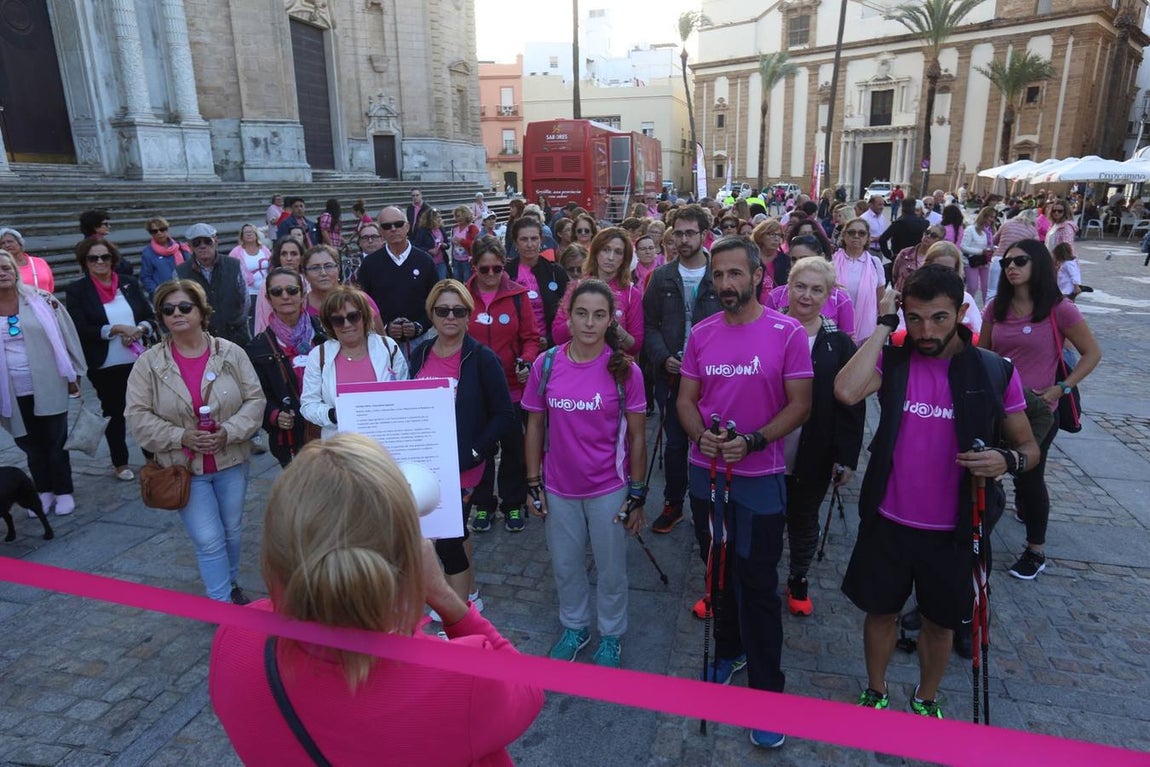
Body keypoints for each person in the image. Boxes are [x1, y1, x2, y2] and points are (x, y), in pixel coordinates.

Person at [209, 433, 545, 765]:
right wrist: (443, 595)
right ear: (405, 554)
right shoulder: (461, 680)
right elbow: (528, 691)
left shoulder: (234, 639)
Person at [835, 265, 1040, 719]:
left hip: (954, 526)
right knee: (880, 613)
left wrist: (1008, 460)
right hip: (888, 517)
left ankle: (926, 698)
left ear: (963, 312)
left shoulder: (994, 371)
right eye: (916, 317)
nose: (926, 331)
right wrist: (886, 325)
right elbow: (847, 391)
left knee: (941, 622)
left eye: (939, 318)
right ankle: (876, 690)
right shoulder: (896, 358)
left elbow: (1028, 447)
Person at [676, 236, 813, 748]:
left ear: (758, 275)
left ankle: (766, 695)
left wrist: (754, 441)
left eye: (735, 274)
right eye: (718, 276)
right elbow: (687, 398)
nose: (726, 284)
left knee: (757, 586)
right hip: (703, 475)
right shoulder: (702, 333)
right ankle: (728, 650)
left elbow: (801, 404)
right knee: (718, 571)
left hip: (759, 484)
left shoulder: (787, 332)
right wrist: (699, 436)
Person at [523, 279, 647, 668]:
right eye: (581, 313)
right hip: (559, 488)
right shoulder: (546, 364)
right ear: (568, 316)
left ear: (611, 319)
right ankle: (575, 626)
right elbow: (535, 426)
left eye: (598, 315)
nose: (589, 323)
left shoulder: (625, 371)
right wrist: (532, 483)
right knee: (565, 565)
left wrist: (638, 493)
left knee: (611, 570)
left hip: (608, 489)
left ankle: (611, 635)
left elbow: (639, 438)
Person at [126, 279, 265, 603]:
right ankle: (220, 604)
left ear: (202, 312)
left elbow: (255, 400)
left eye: (185, 307)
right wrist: (181, 436)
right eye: (168, 309)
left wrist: (228, 431)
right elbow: (137, 416)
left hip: (230, 461)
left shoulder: (230, 353)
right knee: (208, 538)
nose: (177, 314)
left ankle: (230, 585)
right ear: (160, 317)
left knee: (231, 530)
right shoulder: (149, 363)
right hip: (184, 468)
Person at [980, 239, 1101, 580]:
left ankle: (1035, 550)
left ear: (1038, 264)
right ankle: (975, 535)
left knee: (1029, 475)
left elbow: (1092, 353)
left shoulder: (1058, 308)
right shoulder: (996, 307)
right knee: (987, 468)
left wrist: (1062, 387)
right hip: (999, 403)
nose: (1011, 267)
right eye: (1006, 262)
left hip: (1037, 408)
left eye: (1020, 260)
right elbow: (983, 352)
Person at [411, 280, 514, 611]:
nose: (450, 317)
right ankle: (469, 595)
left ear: (469, 315)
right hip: (427, 465)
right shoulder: (420, 353)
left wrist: (475, 451)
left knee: (448, 541)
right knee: (452, 531)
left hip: (464, 467)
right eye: (443, 310)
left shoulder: (482, 358)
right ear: (431, 314)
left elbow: (504, 414)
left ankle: (454, 616)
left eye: (459, 310)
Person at [776, 257, 864, 616]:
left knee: (804, 515)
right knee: (763, 516)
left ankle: (798, 576)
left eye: (817, 290)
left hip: (815, 446)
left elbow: (851, 403)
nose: (807, 296)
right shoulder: (769, 328)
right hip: (767, 444)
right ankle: (757, 573)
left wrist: (847, 457)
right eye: (800, 287)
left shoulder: (839, 343)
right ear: (788, 287)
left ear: (829, 295)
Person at [644, 204, 722, 535]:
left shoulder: (720, 273)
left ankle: (713, 502)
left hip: (715, 377)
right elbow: (649, 326)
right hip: (672, 375)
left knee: (712, 441)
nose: (684, 239)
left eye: (690, 232)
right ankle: (674, 502)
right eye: (678, 233)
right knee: (675, 443)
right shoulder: (661, 276)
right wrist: (663, 357)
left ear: (704, 235)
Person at [0, 250, 85, 516]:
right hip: (11, 390)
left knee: (54, 441)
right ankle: (43, 490)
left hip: (49, 383)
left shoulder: (42, 300)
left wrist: (74, 375)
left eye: (5, 268)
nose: (2, 274)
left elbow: (67, 336)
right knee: (29, 444)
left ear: (15, 270)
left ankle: (63, 490)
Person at [465, 236, 540, 534]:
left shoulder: (519, 295)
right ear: (473, 267)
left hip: (511, 387)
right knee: (479, 448)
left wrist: (527, 360)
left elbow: (531, 338)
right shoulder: (462, 295)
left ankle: (513, 502)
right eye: (485, 269)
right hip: (475, 389)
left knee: (513, 449)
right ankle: (484, 503)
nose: (492, 275)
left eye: (497, 268)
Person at [65, 238, 156, 482]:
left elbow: (149, 316)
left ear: (113, 259)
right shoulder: (78, 291)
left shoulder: (128, 284)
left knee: (144, 409)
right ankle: (120, 462)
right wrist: (113, 329)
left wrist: (139, 329)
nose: (100, 262)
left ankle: (151, 456)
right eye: (93, 258)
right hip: (104, 364)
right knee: (115, 412)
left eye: (104, 257)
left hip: (137, 360)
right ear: (85, 262)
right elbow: (80, 328)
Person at [300, 287, 408, 439]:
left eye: (353, 317)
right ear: (329, 324)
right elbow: (308, 405)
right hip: (340, 446)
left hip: (386, 441)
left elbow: (405, 394)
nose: (346, 324)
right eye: (338, 320)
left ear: (364, 317)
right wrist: (333, 414)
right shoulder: (318, 356)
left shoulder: (388, 347)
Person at [245, 267, 327, 467]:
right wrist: (274, 415)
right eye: (277, 291)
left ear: (302, 294)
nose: (285, 296)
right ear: (268, 298)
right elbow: (255, 394)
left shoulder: (326, 332)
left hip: (329, 427)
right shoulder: (259, 346)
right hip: (291, 436)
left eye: (291, 290)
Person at [357, 207, 438, 354]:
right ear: (381, 232)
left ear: (407, 227)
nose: (393, 229)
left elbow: (435, 301)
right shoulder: (369, 265)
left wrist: (419, 325)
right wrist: (385, 327)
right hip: (382, 342)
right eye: (387, 226)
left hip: (420, 341)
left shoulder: (425, 261)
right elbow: (362, 304)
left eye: (398, 224)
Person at [551, 228, 644, 355]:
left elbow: (635, 346)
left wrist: (614, 326)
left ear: (624, 258)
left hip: (614, 366)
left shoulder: (632, 294)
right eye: (605, 250)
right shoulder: (577, 287)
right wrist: (580, 316)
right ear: (595, 252)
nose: (610, 257)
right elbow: (557, 336)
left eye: (618, 252)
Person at [765, 237, 856, 342]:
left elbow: (847, 343)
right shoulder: (776, 295)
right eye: (794, 259)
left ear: (821, 258)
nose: (798, 264)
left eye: (805, 259)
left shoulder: (840, 300)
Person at [175, 223, 251, 346]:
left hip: (236, 337)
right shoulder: (180, 273)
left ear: (215, 241)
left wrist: (237, 322)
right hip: (201, 340)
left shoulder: (234, 265)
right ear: (190, 247)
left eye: (207, 241)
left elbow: (245, 300)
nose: (202, 246)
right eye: (197, 243)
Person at [505, 217, 569, 349]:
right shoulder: (506, 273)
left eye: (534, 238)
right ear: (516, 243)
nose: (530, 244)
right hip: (515, 346)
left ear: (541, 240)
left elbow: (568, 312)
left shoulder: (555, 272)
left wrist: (550, 340)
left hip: (549, 346)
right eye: (524, 239)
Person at [832, 218, 886, 345]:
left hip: (867, 330)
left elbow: (881, 299)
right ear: (844, 236)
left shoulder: (875, 263)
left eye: (861, 233)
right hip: (836, 327)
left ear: (868, 238)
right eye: (851, 232)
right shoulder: (831, 262)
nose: (856, 236)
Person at [253, 236, 306, 335]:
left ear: (301, 257)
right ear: (279, 257)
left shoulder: (308, 282)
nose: (289, 258)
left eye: (294, 254)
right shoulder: (267, 284)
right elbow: (263, 318)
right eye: (284, 254)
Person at [227, 224, 270, 331]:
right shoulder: (236, 252)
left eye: (251, 232)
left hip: (266, 290)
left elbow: (272, 265)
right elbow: (229, 269)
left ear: (256, 235)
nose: (249, 234)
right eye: (246, 232)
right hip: (250, 293)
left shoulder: (264, 249)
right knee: (253, 321)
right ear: (242, 236)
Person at [961, 206, 997, 305]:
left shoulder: (989, 231)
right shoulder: (971, 229)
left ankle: (986, 311)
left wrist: (992, 249)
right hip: (971, 261)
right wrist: (981, 251)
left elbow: (989, 245)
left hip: (985, 261)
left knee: (986, 287)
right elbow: (963, 247)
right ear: (984, 216)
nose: (992, 219)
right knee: (973, 287)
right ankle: (966, 307)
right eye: (990, 217)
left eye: (994, 217)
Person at [0, 228, 54, 293]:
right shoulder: (3, 268)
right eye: (2, 243)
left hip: (44, 302)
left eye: (10, 241)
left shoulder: (39, 262)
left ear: (20, 243)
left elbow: (50, 287)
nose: (7, 245)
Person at [878, 199, 929, 263]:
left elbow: (882, 239)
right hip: (917, 258)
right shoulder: (924, 223)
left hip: (899, 257)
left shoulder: (898, 223)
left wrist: (889, 255)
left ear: (902, 208)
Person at [411, 207, 448, 280]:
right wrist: (429, 250)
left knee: (441, 282)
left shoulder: (441, 229)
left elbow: (447, 243)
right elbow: (416, 246)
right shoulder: (423, 231)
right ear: (431, 219)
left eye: (440, 217)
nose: (439, 219)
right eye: (437, 217)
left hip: (441, 262)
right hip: (429, 263)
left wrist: (445, 245)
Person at [450, 205, 480, 283]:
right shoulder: (454, 228)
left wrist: (461, 241)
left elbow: (475, 244)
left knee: (468, 282)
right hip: (456, 260)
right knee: (457, 282)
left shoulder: (472, 228)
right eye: (456, 216)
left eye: (460, 216)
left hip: (467, 261)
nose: (458, 218)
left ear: (466, 216)